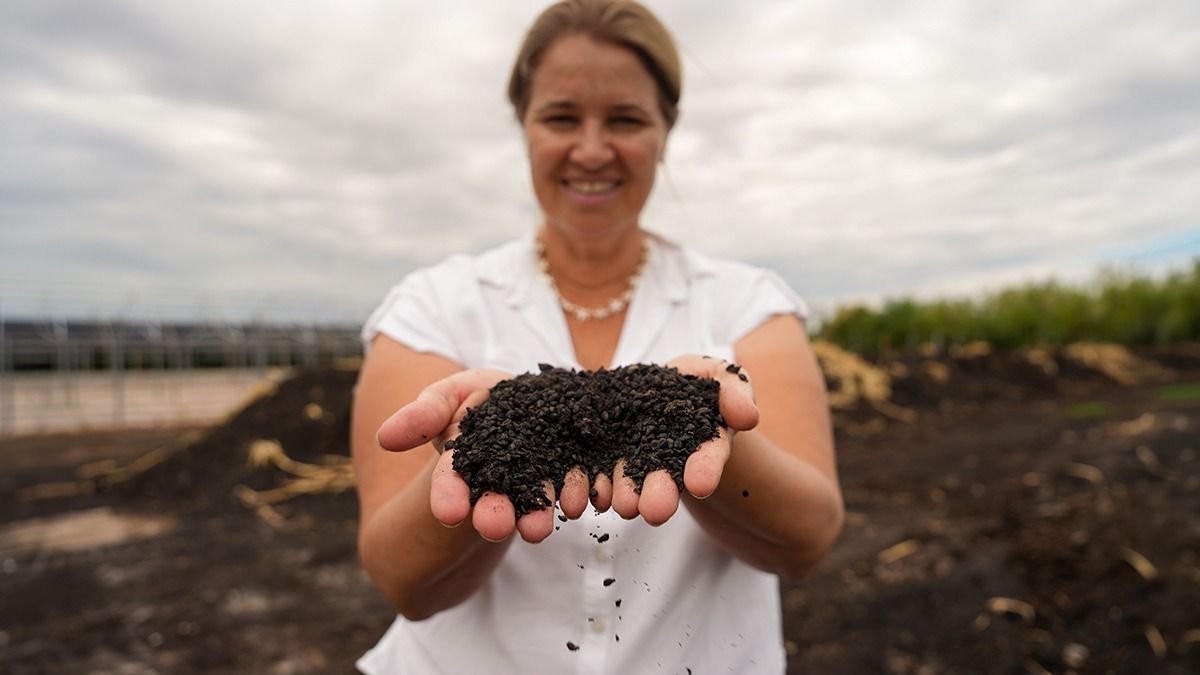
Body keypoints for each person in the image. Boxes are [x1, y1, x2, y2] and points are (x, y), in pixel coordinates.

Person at [351, 1, 844, 672]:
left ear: (665, 130)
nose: (590, 150)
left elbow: (807, 542)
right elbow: (402, 581)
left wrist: (719, 433)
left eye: (625, 119)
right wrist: (475, 460)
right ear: (523, 124)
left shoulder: (748, 302)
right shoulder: (433, 305)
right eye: (561, 118)